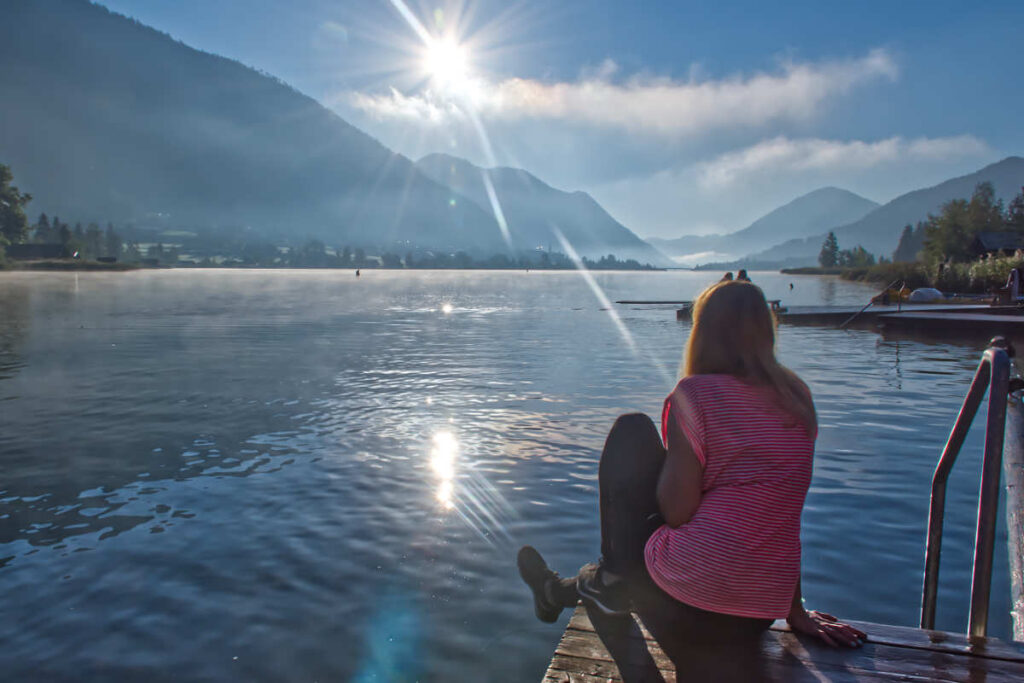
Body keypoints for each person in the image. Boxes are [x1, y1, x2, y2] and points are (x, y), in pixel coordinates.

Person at [517, 280, 865, 649]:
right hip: (757, 616)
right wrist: (794, 610)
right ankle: (572, 588)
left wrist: (670, 468)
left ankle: (603, 581)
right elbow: (781, 512)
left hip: (685, 604)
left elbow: (677, 512)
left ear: (703, 333)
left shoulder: (694, 395)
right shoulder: (797, 398)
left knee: (632, 431)